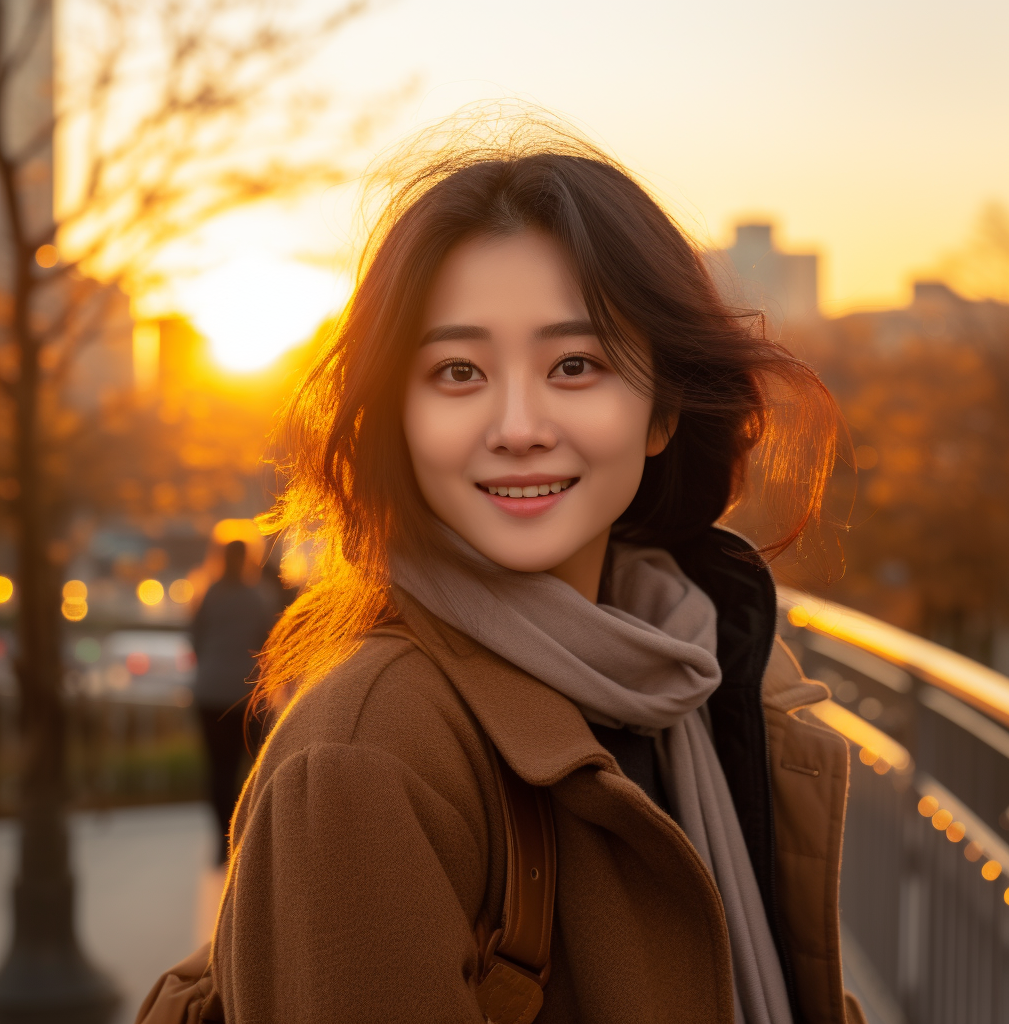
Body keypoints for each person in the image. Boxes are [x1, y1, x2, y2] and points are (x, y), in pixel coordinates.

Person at [212, 126, 864, 1023]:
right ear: (396, 416)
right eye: (458, 371)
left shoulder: (688, 680)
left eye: (573, 365)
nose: (517, 425)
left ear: (662, 412)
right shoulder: (369, 756)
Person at [190, 539, 275, 865]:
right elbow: (269, 644)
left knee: (218, 770)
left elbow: (194, 637)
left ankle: (221, 841)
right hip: (245, 694)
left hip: (210, 691)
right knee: (251, 768)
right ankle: (245, 839)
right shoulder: (258, 597)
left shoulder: (208, 594)